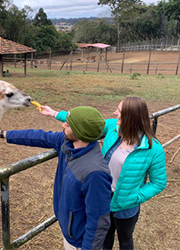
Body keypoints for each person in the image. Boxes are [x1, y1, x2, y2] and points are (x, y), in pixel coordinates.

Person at [40, 96, 167, 250]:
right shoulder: (113, 128)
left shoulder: (154, 149)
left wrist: (135, 197)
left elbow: (158, 183)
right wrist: (54, 113)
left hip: (126, 206)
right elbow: (83, 122)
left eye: (119, 111)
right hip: (103, 198)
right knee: (105, 240)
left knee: (125, 241)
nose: (114, 113)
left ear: (131, 117)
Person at [0, 106, 112, 250]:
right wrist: (2, 134)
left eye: (68, 125)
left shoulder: (95, 173)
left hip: (80, 243)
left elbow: (98, 221)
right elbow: (38, 136)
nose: (63, 125)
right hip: (69, 233)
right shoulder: (68, 144)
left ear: (80, 132)